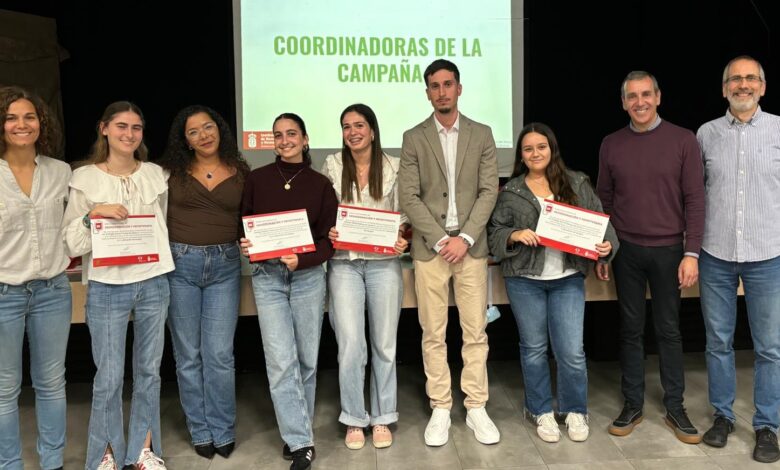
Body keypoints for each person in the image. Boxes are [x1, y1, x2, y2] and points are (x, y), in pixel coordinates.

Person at [488, 122, 618, 443]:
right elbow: (494, 235)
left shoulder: (577, 182)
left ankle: (575, 409)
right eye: (528, 148)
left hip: (567, 279)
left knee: (571, 351)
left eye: (541, 147)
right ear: (521, 154)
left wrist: (606, 248)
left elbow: (603, 226)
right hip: (524, 280)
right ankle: (540, 410)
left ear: (552, 148)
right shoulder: (512, 191)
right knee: (533, 349)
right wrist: (514, 235)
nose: (535, 153)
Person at [63, 102, 173, 470]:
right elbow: (72, 244)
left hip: (154, 282)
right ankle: (105, 454)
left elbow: (162, 230)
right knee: (108, 376)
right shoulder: (84, 179)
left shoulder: (157, 175)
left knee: (149, 372)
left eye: (137, 127)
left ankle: (143, 449)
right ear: (104, 128)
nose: (129, 134)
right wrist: (92, 215)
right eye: (122, 126)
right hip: (107, 286)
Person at [597, 71, 705, 444]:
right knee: (629, 331)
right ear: (623, 102)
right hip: (625, 250)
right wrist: (604, 249)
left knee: (669, 330)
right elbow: (604, 202)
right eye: (632, 96)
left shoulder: (683, 140)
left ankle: (675, 407)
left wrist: (691, 253)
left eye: (646, 94)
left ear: (658, 97)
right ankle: (633, 405)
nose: (639, 102)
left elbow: (695, 200)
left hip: (671, 250)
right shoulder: (611, 144)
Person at [398, 59, 500, 447]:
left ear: (459, 88)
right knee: (433, 333)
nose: (441, 91)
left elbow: (489, 191)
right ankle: (441, 406)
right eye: (434, 86)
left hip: (471, 249)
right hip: (430, 249)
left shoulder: (483, 134)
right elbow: (408, 195)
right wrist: (442, 239)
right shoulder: (413, 137)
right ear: (427, 92)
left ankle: (476, 407)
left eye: (447, 84)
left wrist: (466, 239)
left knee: (475, 332)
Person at [240, 113, 337, 470]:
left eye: (291, 134)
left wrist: (305, 258)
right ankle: (300, 441)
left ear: (305, 139)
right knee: (281, 360)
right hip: (267, 277)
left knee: (307, 360)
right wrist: (247, 244)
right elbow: (245, 225)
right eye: (278, 135)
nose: (284, 140)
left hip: (307, 277)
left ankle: (298, 433)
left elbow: (330, 241)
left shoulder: (321, 184)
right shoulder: (257, 179)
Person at [696, 55, 780, 463]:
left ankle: (767, 426)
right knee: (718, 343)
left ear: (762, 87)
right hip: (716, 254)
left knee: (770, 348)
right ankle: (723, 416)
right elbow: (696, 196)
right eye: (735, 79)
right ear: (724, 87)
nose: (742, 85)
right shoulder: (706, 134)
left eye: (750, 79)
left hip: (769, 256)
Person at [158, 105, 250, 460]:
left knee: (219, 355)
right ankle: (200, 429)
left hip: (225, 266)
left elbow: (253, 218)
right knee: (187, 355)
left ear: (219, 129)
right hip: (180, 264)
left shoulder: (241, 171)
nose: (203, 135)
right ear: (185, 140)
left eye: (208, 127)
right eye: (193, 131)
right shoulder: (169, 173)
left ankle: (223, 428)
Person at [322, 103, 409, 450]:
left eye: (359, 125)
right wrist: (327, 229)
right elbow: (326, 213)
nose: (352, 132)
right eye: (346, 126)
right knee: (350, 346)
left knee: (385, 344)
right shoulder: (331, 165)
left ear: (372, 130)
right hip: (343, 264)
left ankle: (384, 415)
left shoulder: (395, 166)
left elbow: (404, 216)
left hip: (383, 264)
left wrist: (404, 234)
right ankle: (355, 418)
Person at [0, 86, 71, 470]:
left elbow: (73, 227)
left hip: (52, 291)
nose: (21, 124)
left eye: (29, 117)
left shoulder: (60, 172)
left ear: (41, 124)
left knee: (51, 384)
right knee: (3, 390)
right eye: (11, 117)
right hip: (3, 293)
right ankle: (8, 464)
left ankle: (52, 462)